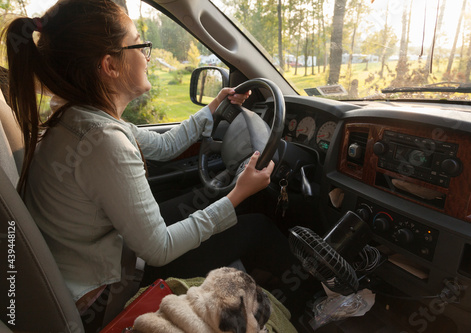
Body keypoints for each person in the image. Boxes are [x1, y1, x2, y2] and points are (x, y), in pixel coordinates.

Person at [2, 0, 294, 326]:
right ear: (110, 65)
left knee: (216, 199)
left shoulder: (82, 117)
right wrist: (237, 194)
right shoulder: (102, 141)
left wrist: (212, 108)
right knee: (259, 229)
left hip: (108, 254)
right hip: (105, 292)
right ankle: (313, 306)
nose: (147, 56)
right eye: (140, 44)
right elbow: (159, 249)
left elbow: (165, 145)